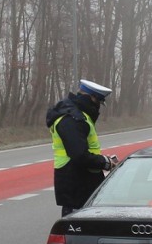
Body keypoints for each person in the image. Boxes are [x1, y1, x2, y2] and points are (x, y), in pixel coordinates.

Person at [46, 79, 119, 216]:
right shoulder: (72, 119)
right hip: (76, 186)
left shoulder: (79, 116)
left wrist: (103, 160)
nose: (98, 107)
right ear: (91, 98)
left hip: (81, 184)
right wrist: (104, 162)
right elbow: (79, 155)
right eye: (98, 102)